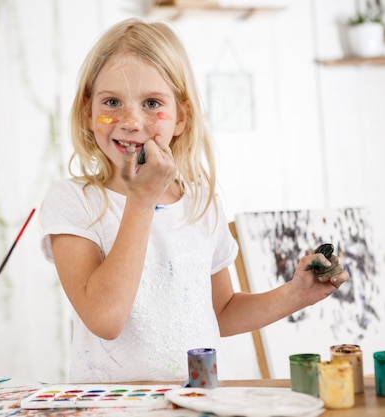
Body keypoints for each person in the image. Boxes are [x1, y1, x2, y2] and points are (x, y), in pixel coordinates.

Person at [39, 17, 349, 383]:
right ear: (89, 111)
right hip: (110, 408)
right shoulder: (74, 202)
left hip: (198, 401)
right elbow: (105, 320)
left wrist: (295, 295)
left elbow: (222, 310)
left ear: (182, 117)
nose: (132, 121)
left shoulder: (202, 203)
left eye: (152, 103)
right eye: (112, 102)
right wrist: (142, 200)